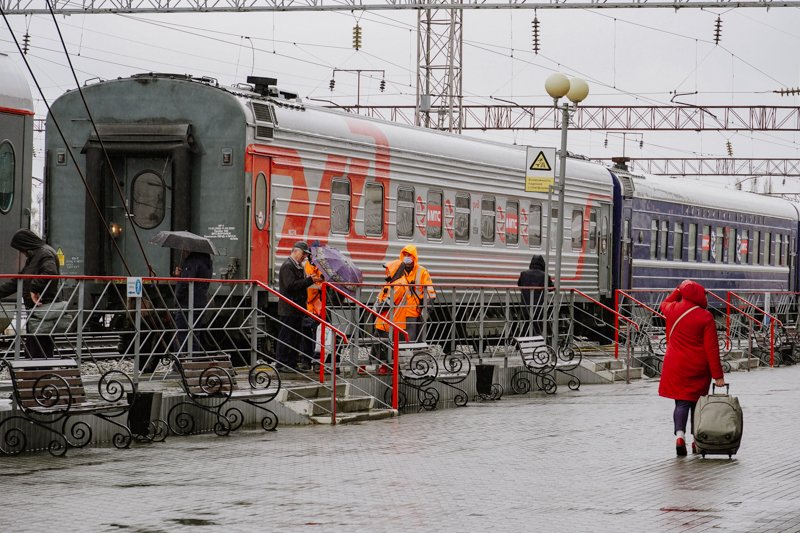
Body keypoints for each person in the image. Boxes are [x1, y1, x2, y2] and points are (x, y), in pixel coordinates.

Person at [658, 279, 726, 457]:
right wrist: (718, 375)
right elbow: (711, 349)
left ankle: (680, 437)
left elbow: (663, 303)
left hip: (675, 366)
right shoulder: (705, 317)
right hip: (698, 368)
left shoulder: (672, 310)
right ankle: (697, 441)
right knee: (697, 405)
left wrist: (678, 289)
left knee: (681, 402)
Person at [0, 229, 61, 358]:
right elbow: (19, 281)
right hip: (36, 309)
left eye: (21, 248)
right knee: (34, 344)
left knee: (40, 344)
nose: (21, 252)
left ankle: (39, 374)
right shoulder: (35, 256)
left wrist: (34, 288)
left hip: (43, 307)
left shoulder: (45, 254)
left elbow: (50, 272)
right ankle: (33, 372)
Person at [375, 244, 436, 352]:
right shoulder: (398, 270)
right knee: (402, 342)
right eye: (405, 255)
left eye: (409, 255)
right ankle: (404, 361)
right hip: (399, 313)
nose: (407, 257)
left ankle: (412, 360)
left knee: (412, 341)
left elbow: (430, 293)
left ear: (414, 257)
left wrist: (426, 311)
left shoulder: (421, 272)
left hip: (413, 312)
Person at [277, 241, 322, 370]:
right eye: (304, 254)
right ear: (295, 251)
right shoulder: (288, 266)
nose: (305, 257)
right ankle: (282, 363)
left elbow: (298, 284)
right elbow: (290, 285)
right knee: (286, 336)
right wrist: (309, 280)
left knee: (294, 337)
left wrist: (310, 280)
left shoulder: (297, 266)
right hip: (288, 308)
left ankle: (291, 363)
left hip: (296, 308)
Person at [173, 250, 213, 356]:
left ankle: (179, 363)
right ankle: (193, 361)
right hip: (200, 302)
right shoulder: (207, 262)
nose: (184, 250)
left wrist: (177, 296)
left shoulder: (192, 261)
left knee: (180, 334)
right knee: (194, 334)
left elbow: (185, 282)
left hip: (187, 303)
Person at [517, 254, 554, 336]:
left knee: (527, 325)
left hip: (525, 305)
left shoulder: (523, 274)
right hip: (539, 306)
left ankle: (522, 344)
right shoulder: (545, 275)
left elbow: (519, 284)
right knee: (537, 326)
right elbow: (551, 288)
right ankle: (536, 345)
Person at [299, 257, 324, 370]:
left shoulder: (306, 266)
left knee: (312, 335)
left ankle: (309, 361)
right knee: (313, 335)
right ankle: (311, 360)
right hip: (312, 306)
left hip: (313, 307)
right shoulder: (313, 267)